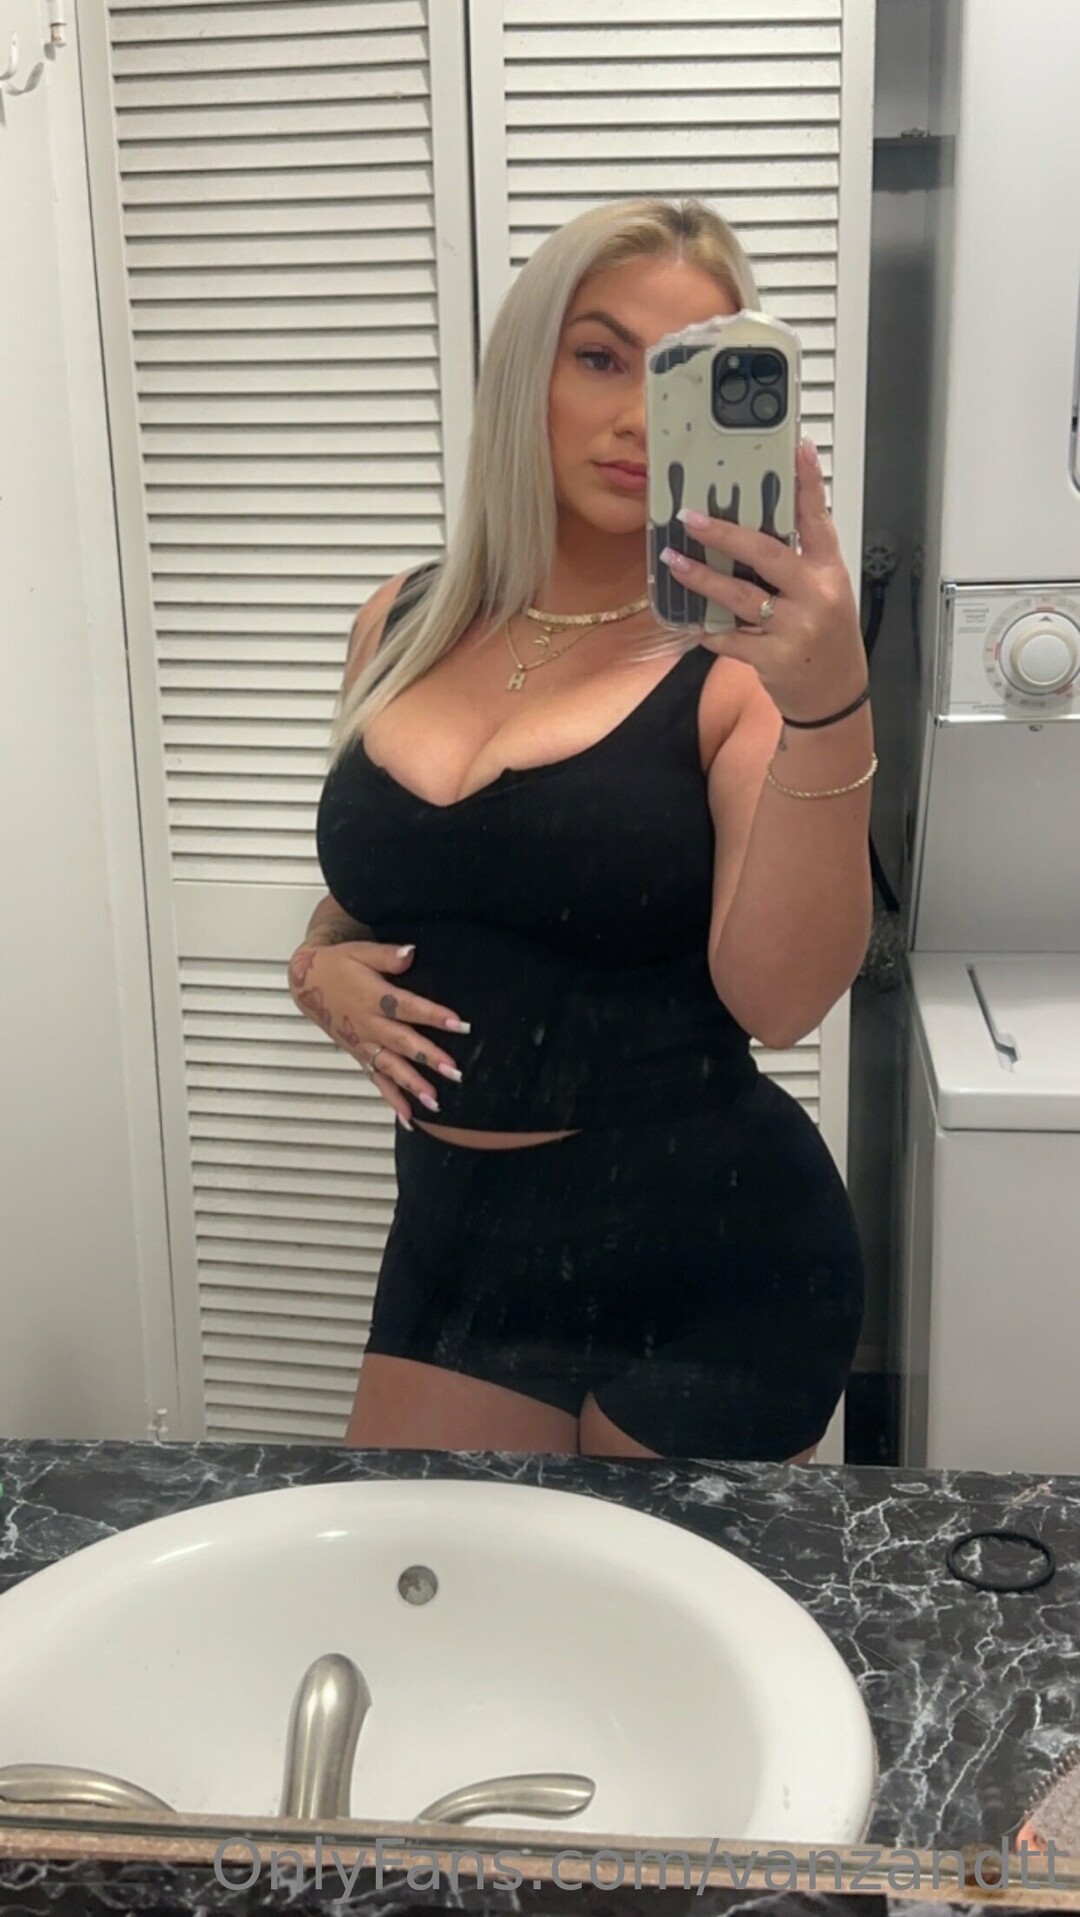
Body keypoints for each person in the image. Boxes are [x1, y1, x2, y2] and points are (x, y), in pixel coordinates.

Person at [290, 197, 874, 1461]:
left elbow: (780, 1000)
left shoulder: (739, 669)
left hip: (714, 1257)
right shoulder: (399, 622)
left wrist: (830, 704)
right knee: (426, 1577)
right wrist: (317, 964)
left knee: (642, 1601)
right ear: (527, 372)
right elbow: (425, 883)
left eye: (682, 378)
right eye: (601, 357)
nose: (638, 419)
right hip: (456, 1237)